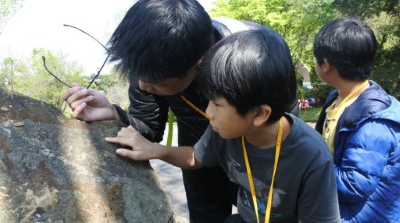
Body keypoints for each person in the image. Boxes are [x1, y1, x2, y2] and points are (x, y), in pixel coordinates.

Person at [63, 0, 298, 222]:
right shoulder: (151, 62)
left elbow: (285, 129)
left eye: (155, 83)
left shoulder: (260, 60)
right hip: (198, 161)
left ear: (199, 66)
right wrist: (113, 113)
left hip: (262, 167)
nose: (143, 86)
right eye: (138, 75)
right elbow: (148, 126)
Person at [105, 29, 341, 223]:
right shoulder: (226, 131)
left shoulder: (311, 156)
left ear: (259, 113)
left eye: (217, 104)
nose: (208, 112)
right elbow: (195, 158)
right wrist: (154, 150)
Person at [313, 17, 400, 222]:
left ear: (325, 64)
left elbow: (354, 185)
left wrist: (309, 163)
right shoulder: (338, 98)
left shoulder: (372, 123)